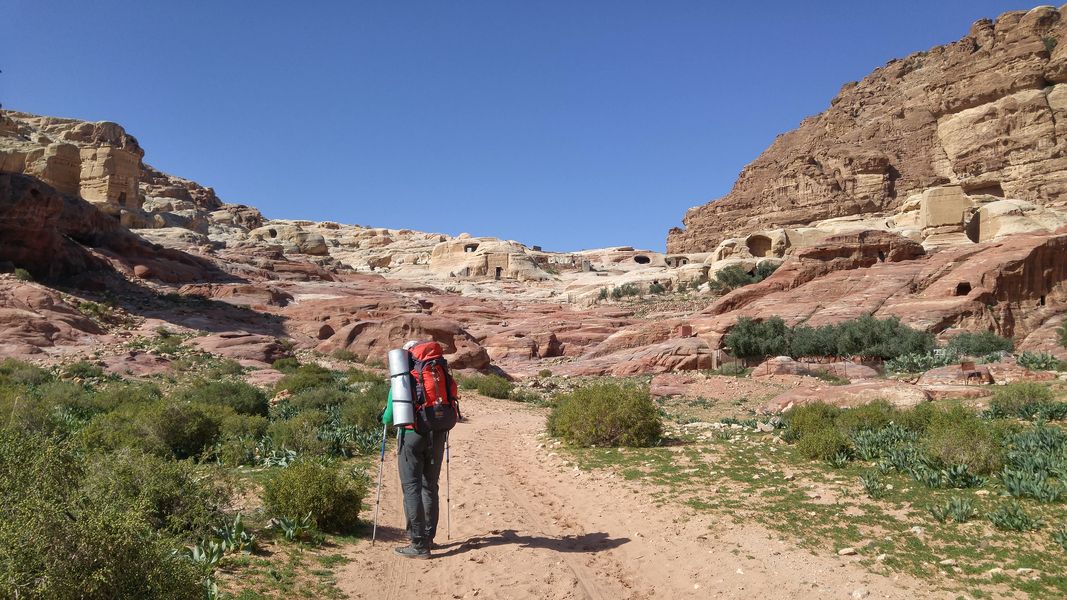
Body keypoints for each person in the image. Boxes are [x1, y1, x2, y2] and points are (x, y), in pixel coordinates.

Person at [381, 340, 448, 559]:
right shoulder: (437, 371)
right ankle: (429, 537)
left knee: (411, 487)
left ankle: (418, 544)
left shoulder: (404, 375)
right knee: (430, 487)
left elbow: (390, 415)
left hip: (412, 435)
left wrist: (383, 418)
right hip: (437, 433)